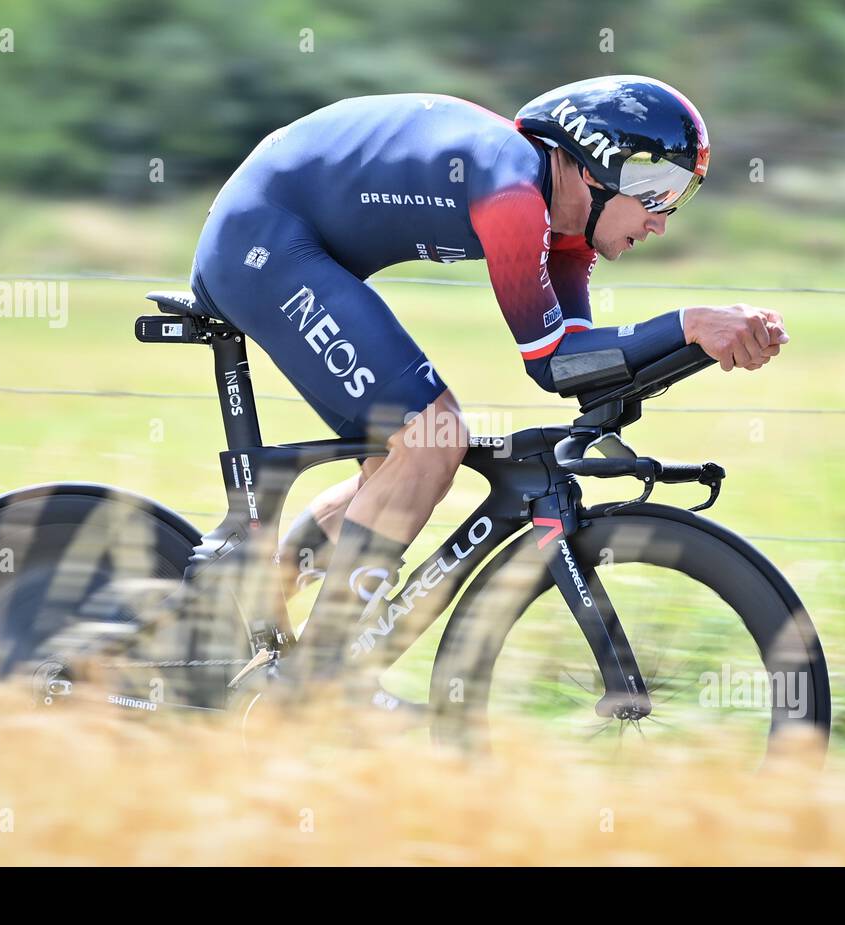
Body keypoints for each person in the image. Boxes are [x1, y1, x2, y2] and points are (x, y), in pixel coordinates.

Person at [189, 75, 788, 688]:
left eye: (678, 198)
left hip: (294, 236)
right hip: (261, 242)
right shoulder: (511, 190)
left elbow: (581, 368)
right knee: (430, 441)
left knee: (398, 467)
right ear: (597, 163)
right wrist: (690, 324)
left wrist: (704, 347)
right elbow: (551, 360)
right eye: (656, 192)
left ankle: (243, 622)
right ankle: (315, 682)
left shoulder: (564, 231)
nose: (662, 221)